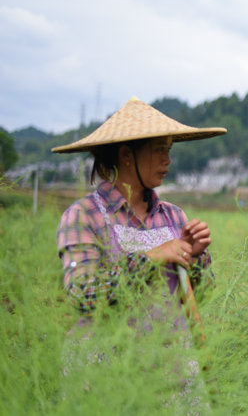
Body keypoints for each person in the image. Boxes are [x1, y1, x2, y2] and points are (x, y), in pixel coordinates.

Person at [53, 97, 226, 406]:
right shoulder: (83, 216)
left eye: (169, 150)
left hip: (172, 369)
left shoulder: (174, 217)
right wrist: (153, 257)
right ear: (126, 154)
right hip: (106, 374)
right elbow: (83, 295)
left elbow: (202, 294)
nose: (168, 160)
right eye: (159, 149)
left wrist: (196, 257)